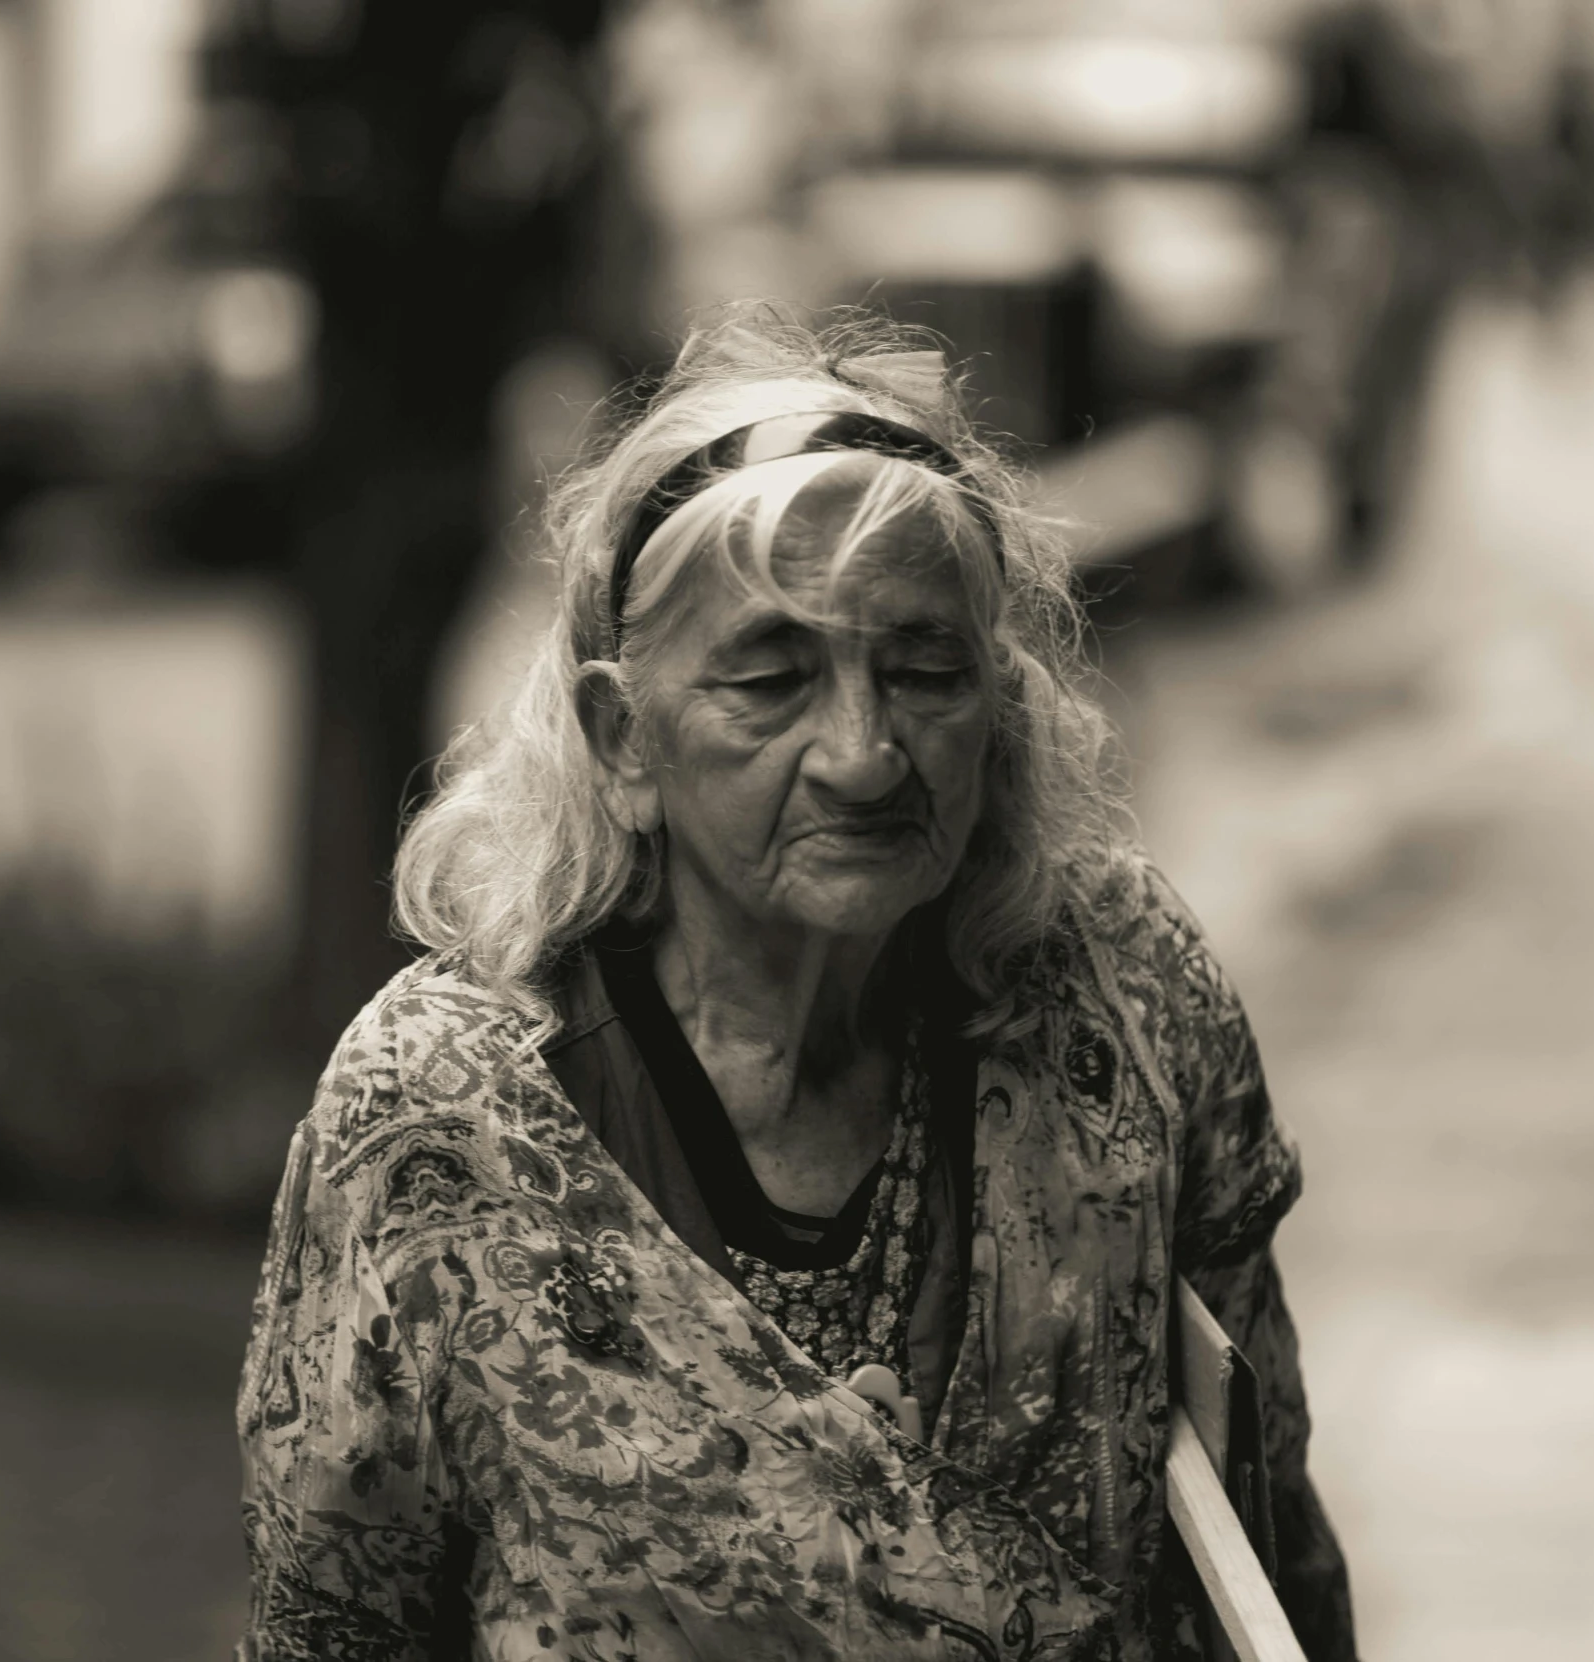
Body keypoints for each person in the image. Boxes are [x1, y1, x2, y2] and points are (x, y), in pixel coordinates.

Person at [236, 311, 1358, 1661]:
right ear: (621, 738)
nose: (865, 752)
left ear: (997, 702)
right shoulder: (443, 1117)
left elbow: (1268, 1529)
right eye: (771, 679)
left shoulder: (1121, 998)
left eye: (926, 671)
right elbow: (328, 1628)